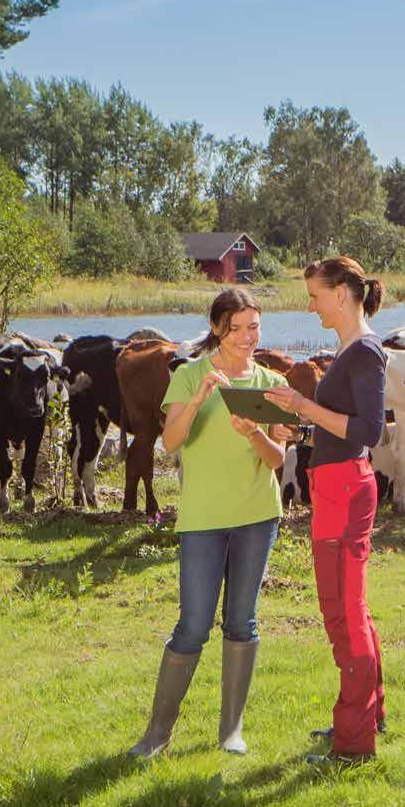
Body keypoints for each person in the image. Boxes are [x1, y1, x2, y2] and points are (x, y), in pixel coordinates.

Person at [128, 288, 289, 759]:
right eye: (236, 327)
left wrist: (255, 432)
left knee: (242, 622)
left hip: (258, 517)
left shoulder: (269, 382)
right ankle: (157, 733)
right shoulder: (189, 376)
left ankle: (231, 731)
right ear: (217, 328)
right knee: (193, 625)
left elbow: (276, 458)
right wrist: (198, 398)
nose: (246, 337)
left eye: (253, 326)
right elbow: (171, 443)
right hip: (202, 520)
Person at [265, 257, 387, 766]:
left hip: (344, 490)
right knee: (350, 608)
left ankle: (354, 741)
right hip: (337, 484)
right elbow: (345, 427)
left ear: (342, 293)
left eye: (315, 294)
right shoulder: (351, 350)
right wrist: (306, 431)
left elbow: (369, 432)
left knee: (343, 612)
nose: (309, 304)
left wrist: (302, 406)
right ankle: (368, 713)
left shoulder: (364, 352)